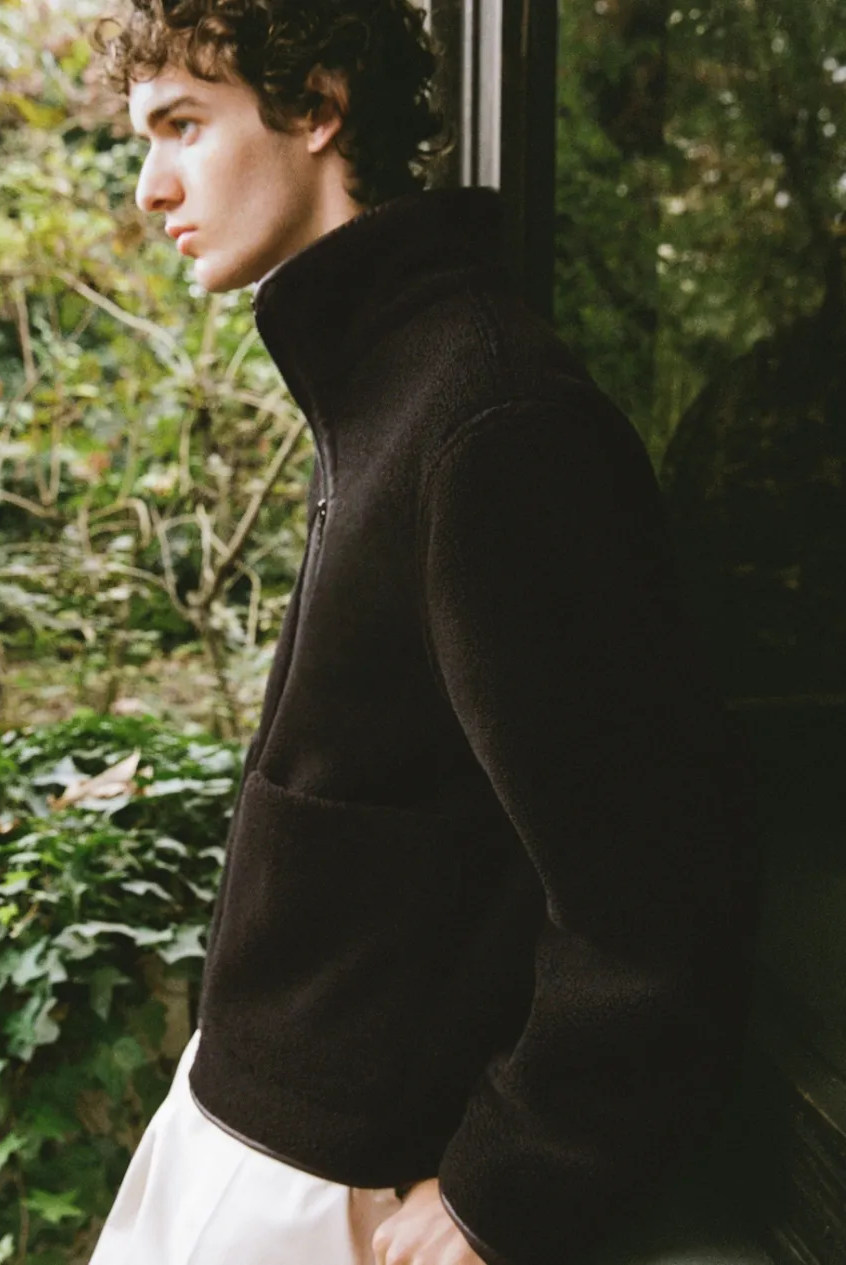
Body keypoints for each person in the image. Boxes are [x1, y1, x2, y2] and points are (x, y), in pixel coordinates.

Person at [88, 2, 764, 1263]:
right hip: (246, 1129)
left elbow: (655, 881)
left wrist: (510, 1180)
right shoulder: (383, 381)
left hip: (343, 1184)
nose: (149, 186)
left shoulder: (493, 418)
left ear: (316, 105)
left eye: (183, 125)